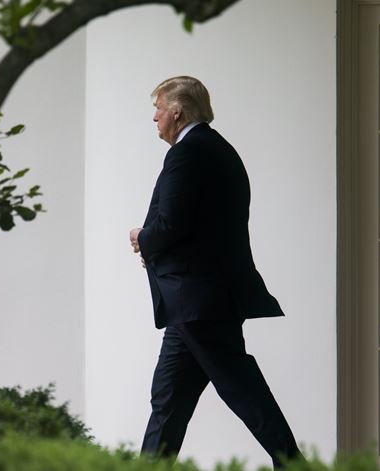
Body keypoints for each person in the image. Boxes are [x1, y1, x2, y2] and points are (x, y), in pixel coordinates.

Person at [129, 76, 301, 468]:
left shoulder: (188, 153)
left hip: (198, 302)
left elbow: (173, 224)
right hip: (199, 301)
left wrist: (145, 239)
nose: (154, 117)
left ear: (177, 111)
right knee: (168, 398)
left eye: (158, 109)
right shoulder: (217, 149)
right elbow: (204, 225)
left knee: (242, 389)